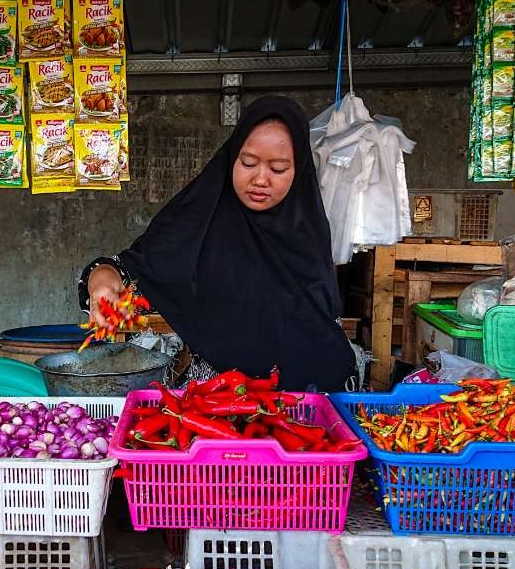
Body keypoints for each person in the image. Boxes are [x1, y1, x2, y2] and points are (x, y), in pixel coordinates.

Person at [78, 95, 356, 392]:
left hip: (309, 404)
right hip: (217, 398)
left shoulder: (307, 231)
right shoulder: (198, 218)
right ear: (232, 157)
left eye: (278, 169)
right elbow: (127, 270)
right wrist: (102, 280)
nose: (261, 179)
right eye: (248, 163)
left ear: (298, 170)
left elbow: (323, 322)